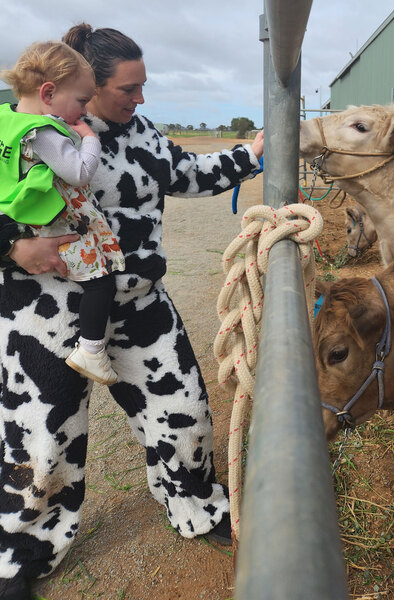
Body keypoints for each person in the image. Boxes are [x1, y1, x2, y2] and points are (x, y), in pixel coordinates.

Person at [0, 23, 264, 600]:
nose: (140, 100)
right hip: (46, 313)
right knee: (42, 441)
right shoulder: (24, 133)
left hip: (139, 303)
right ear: (86, 86)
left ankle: (194, 503)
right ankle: (22, 553)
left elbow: (188, 173)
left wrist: (255, 153)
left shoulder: (141, 132)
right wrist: (11, 244)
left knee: (184, 412)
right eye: (128, 89)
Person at [0, 41, 125, 388]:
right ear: (49, 92)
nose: (83, 111)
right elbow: (80, 172)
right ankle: (91, 350)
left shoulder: (5, 121)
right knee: (100, 282)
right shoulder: (43, 133)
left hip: (19, 220)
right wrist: (87, 138)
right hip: (55, 227)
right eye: (82, 101)